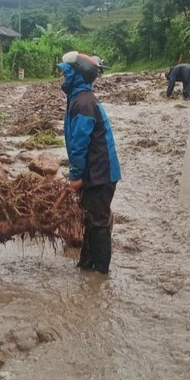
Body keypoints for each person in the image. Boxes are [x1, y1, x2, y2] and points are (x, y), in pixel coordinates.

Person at [57, 51, 121, 274]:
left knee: (98, 223)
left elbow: (79, 145)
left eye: (65, 74)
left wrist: (75, 176)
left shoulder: (83, 103)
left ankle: (102, 274)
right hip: (97, 173)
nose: (61, 78)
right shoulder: (80, 99)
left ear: (76, 76)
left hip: (100, 175)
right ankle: (86, 267)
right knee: (90, 220)